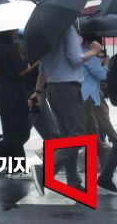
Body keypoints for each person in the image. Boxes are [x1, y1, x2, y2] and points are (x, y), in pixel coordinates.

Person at [30, 26, 102, 196]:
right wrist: (93, 51)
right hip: (68, 87)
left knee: (67, 137)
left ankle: (73, 181)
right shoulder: (68, 30)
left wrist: (38, 91)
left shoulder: (48, 33)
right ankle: (45, 171)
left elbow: (43, 68)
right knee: (78, 135)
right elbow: (75, 59)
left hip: (54, 88)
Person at [0, 30, 32, 172]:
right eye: (14, 30)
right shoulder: (9, 48)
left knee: (11, 133)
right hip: (14, 96)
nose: (15, 32)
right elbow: (20, 71)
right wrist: (30, 64)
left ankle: (17, 167)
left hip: (2, 95)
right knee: (21, 133)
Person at [79, 34, 114, 165]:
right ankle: (109, 156)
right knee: (95, 129)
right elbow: (102, 75)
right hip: (88, 96)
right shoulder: (89, 55)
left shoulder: (81, 53)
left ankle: (106, 162)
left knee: (92, 130)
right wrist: (106, 64)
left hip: (84, 95)